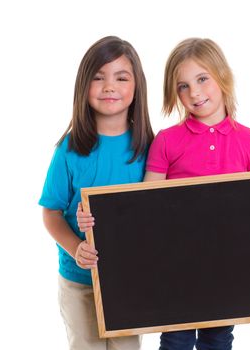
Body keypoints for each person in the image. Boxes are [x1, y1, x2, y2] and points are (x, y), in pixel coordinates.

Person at [77, 37, 250, 350]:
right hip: (175, 268)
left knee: (218, 338)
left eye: (202, 79)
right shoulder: (167, 141)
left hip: (227, 268)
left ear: (222, 77)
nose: (194, 93)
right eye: (183, 86)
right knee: (176, 339)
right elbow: (145, 204)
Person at [39, 36, 154, 350]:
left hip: (128, 279)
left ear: (136, 87)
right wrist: (76, 247)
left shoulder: (149, 149)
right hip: (79, 282)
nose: (109, 86)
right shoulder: (70, 149)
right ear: (83, 86)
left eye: (121, 77)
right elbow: (50, 212)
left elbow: (155, 210)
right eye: (98, 77)